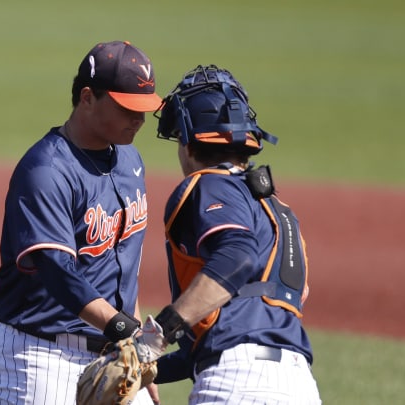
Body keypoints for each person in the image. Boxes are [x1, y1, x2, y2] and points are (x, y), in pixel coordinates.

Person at [0, 40, 163, 405]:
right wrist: (127, 333)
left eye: (144, 109)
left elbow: (122, 261)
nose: (139, 120)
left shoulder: (130, 159)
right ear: (87, 98)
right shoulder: (47, 170)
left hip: (115, 350)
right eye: (127, 108)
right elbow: (58, 272)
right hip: (43, 357)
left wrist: (140, 356)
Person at [137, 64, 322, 404]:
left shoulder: (209, 184)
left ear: (188, 142)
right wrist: (140, 370)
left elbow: (237, 257)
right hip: (298, 386)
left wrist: (160, 333)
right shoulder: (278, 212)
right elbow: (212, 344)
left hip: (238, 385)